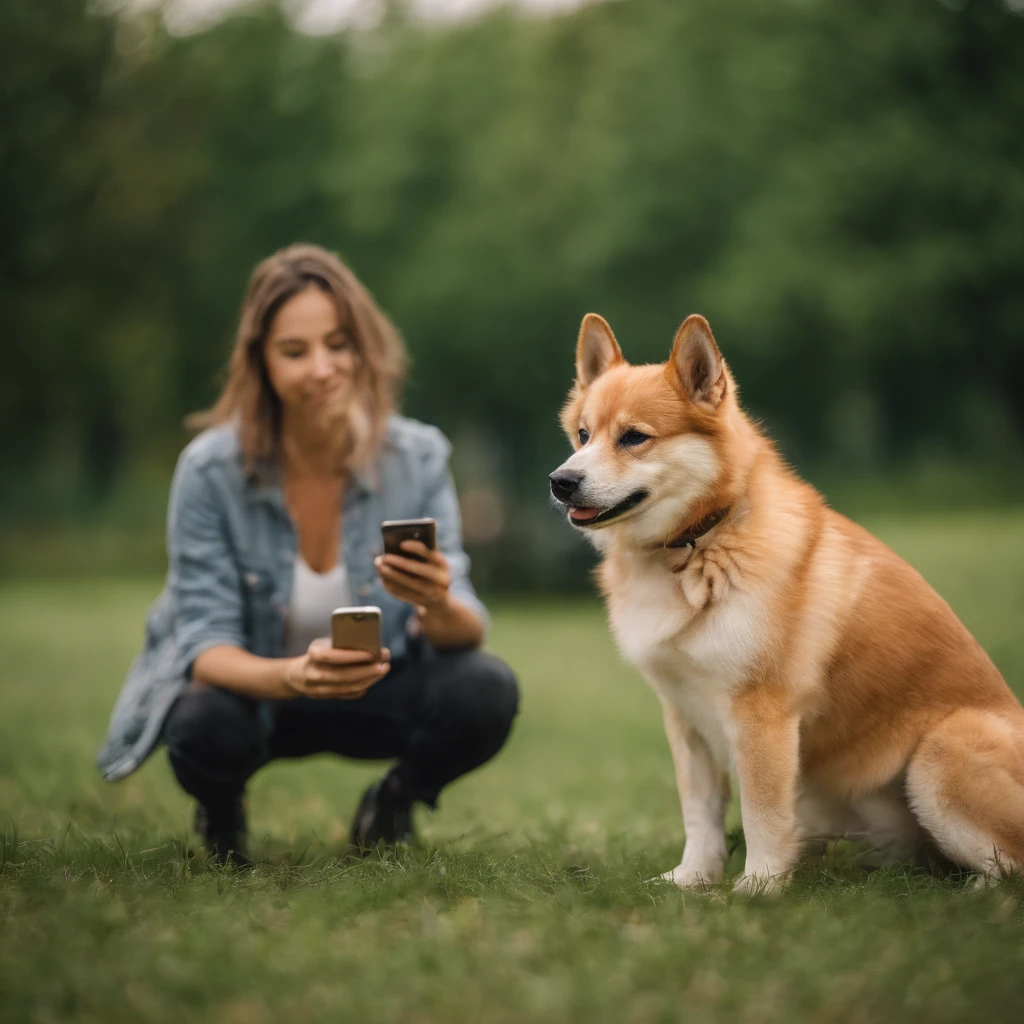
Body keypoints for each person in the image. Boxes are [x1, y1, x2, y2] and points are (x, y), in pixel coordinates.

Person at [96, 243, 519, 864]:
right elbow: (205, 648)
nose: (322, 368)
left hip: (379, 690)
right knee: (199, 722)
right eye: (295, 351)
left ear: (364, 347)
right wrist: (292, 676)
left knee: (486, 687)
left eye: (339, 343)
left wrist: (433, 598)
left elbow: (467, 629)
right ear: (260, 362)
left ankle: (393, 802)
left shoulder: (419, 457)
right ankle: (221, 810)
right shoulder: (210, 471)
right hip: (261, 697)